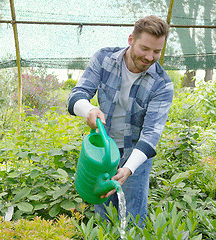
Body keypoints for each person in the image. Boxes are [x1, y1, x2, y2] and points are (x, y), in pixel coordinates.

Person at [67, 15, 173, 226]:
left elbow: (151, 135)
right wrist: (89, 110)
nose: (150, 57)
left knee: (134, 217)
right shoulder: (104, 59)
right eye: (145, 48)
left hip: (136, 156)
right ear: (131, 39)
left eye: (157, 51)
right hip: (103, 152)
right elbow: (76, 96)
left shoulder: (162, 84)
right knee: (104, 212)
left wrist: (129, 169)